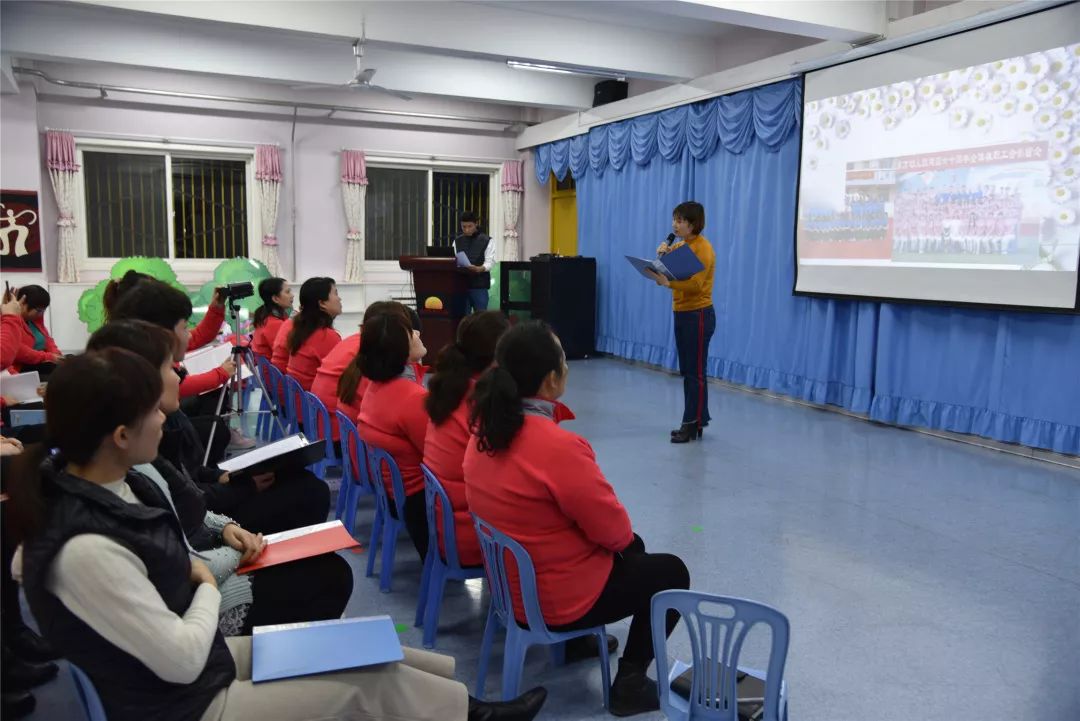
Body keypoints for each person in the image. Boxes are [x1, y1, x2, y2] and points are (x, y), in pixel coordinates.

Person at [9, 351, 547, 721]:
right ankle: (470, 715)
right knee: (362, 682)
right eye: (153, 410)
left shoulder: (110, 487)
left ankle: (468, 707)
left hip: (196, 674)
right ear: (121, 435)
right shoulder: (82, 549)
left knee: (363, 648)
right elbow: (178, 658)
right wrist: (203, 581)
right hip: (187, 705)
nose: (163, 419)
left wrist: (199, 572)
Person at [464, 321, 690, 717]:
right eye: (564, 362)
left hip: (509, 589)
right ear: (551, 380)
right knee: (670, 572)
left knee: (629, 550)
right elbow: (615, 533)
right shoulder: (557, 446)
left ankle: (575, 643)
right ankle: (630, 683)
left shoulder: (483, 430)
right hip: (556, 599)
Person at [86, 319, 354, 636]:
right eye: (171, 368)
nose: (180, 375)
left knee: (308, 503)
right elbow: (185, 560)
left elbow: (189, 493)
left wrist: (226, 521)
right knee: (328, 564)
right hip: (205, 608)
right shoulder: (129, 476)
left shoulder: (134, 459)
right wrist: (238, 538)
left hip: (212, 547)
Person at [110, 278, 330, 535]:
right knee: (310, 491)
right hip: (208, 518)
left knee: (297, 479)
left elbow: (186, 476)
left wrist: (219, 476)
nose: (178, 375)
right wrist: (238, 488)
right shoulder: (148, 422)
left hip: (208, 497)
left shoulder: (149, 388)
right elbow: (187, 500)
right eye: (184, 327)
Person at [423, 310, 509, 567]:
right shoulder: (482, 405)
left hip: (447, 524)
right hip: (476, 536)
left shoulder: (451, 390)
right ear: (497, 360)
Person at [357, 307, 430, 560]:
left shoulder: (377, 387)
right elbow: (441, 458)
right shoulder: (412, 398)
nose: (418, 333)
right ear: (399, 349)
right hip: (422, 507)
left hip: (396, 496)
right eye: (411, 332)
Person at [644, 201, 716, 443]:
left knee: (694, 373)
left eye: (680, 221)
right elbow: (666, 270)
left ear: (693, 224)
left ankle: (689, 424)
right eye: (674, 219)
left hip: (698, 315)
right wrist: (660, 259)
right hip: (683, 313)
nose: (675, 224)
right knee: (690, 371)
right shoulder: (682, 246)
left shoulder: (703, 248)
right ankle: (697, 421)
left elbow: (695, 285)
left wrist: (668, 283)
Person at [285, 277, 342, 390]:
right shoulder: (326, 336)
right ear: (322, 303)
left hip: (297, 400)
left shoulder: (302, 329)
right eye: (335, 294)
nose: (339, 299)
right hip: (311, 404)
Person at [7, 285, 62, 377]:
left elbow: (48, 340)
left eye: (44, 310)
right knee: (55, 371)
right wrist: (49, 357)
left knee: (71, 362)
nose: (41, 314)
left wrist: (57, 355)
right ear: (23, 304)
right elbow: (19, 351)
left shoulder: (35, 321)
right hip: (22, 367)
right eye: (39, 310)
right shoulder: (10, 322)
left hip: (42, 361)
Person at [454, 211, 495, 313]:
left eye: (470, 226)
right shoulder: (457, 241)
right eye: (463, 227)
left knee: (481, 319)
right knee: (463, 318)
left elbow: (490, 262)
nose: (467, 230)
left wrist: (480, 268)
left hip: (479, 285)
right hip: (461, 285)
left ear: (476, 224)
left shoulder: (487, 240)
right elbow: (454, 260)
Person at [250, 278, 292, 359]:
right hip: (274, 370)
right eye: (287, 292)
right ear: (275, 299)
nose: (292, 295)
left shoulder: (265, 316)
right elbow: (286, 354)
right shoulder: (274, 324)